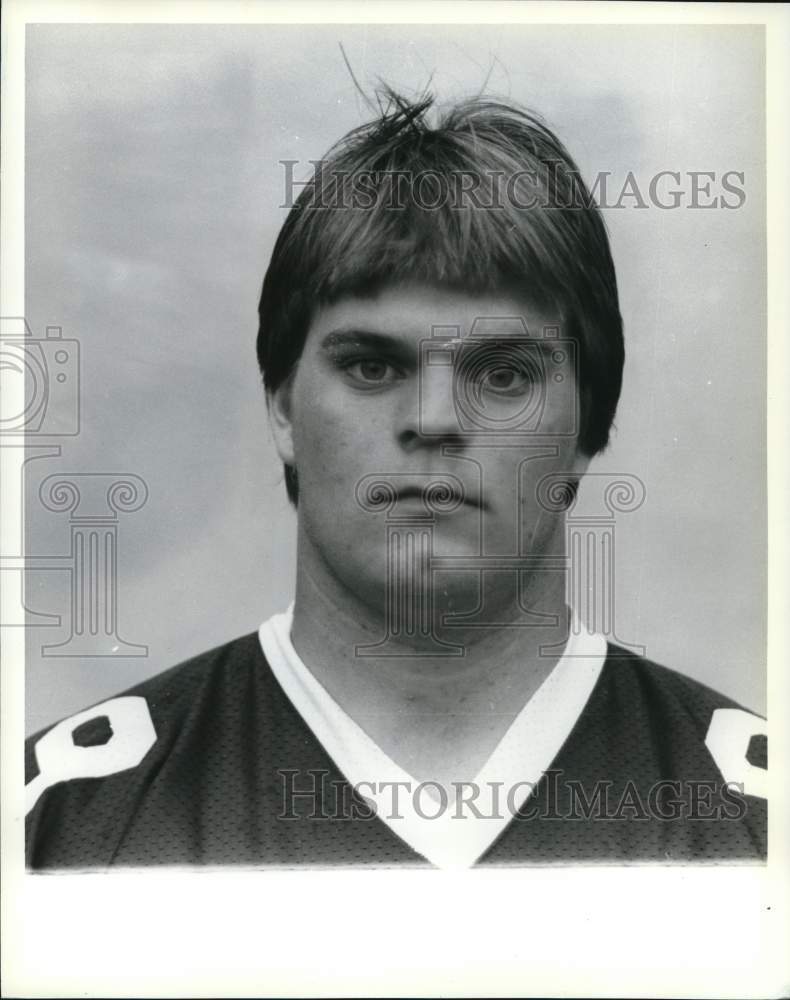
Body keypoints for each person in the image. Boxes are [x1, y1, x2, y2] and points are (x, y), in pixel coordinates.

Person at [25, 91, 767, 869]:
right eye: (373, 366)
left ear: (587, 425)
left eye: (504, 374)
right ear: (283, 408)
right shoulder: (59, 821)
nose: (435, 418)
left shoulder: (756, 818)